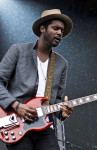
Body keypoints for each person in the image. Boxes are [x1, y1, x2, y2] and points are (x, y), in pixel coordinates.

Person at [0, 9, 73, 150]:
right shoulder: (18, 51)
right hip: (16, 121)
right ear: (42, 28)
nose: (60, 33)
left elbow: (56, 99)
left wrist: (62, 112)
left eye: (62, 31)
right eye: (55, 28)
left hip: (44, 125)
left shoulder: (62, 63)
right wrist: (16, 105)